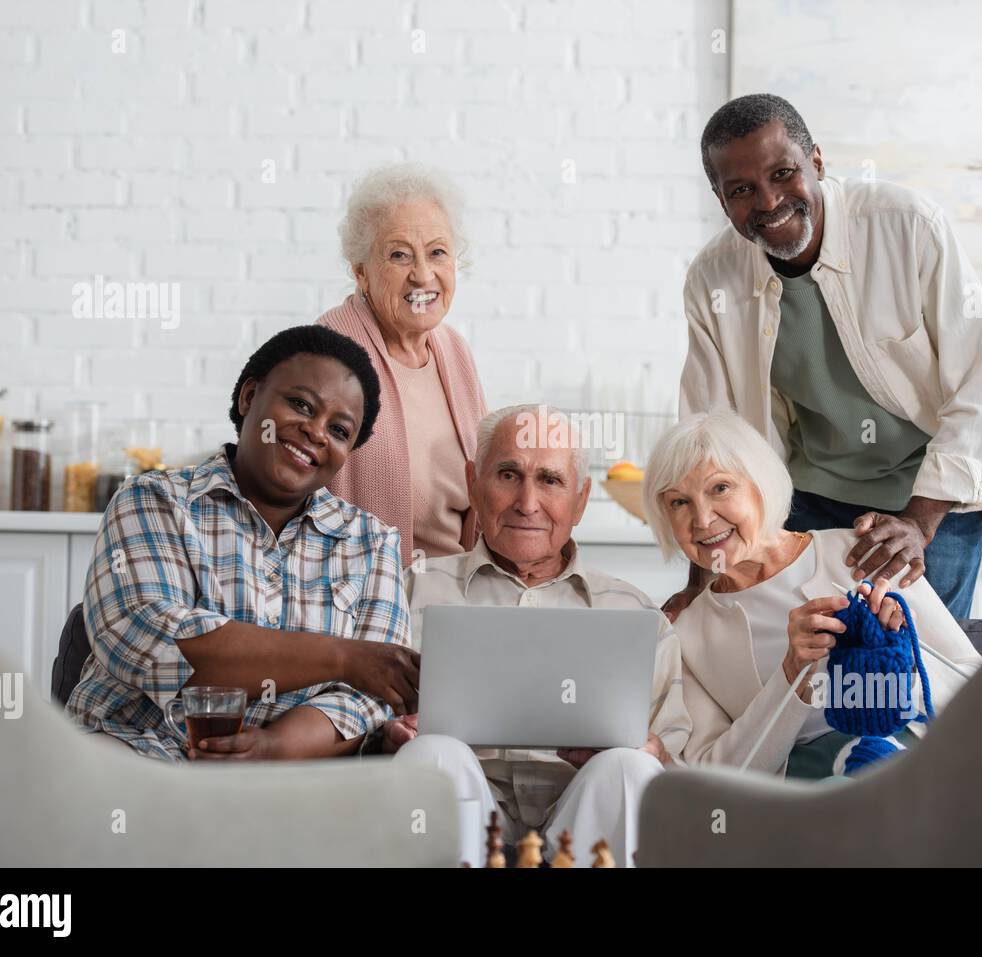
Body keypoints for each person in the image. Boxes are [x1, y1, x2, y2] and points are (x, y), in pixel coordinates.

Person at [675, 93, 982, 620]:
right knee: (810, 669)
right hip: (809, 499)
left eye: (783, 173)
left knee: (921, 672)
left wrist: (918, 522)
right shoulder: (712, 280)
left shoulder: (908, 228)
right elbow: (711, 437)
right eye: (742, 190)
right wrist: (699, 589)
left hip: (935, 497)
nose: (770, 202)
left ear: (816, 161)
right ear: (720, 198)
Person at [67, 326, 419, 761]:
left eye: (340, 430)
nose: (315, 432)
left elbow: (368, 700)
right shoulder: (153, 501)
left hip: (293, 777)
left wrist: (274, 746)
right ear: (249, 397)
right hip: (139, 758)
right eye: (300, 404)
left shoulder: (372, 542)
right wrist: (344, 657)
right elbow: (152, 642)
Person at [385, 404, 691, 867]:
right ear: (473, 482)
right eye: (508, 475)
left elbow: (673, 769)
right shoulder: (412, 588)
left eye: (550, 480)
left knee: (631, 768)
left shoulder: (637, 613)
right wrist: (388, 733)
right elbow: (359, 718)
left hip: (583, 815)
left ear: (581, 499)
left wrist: (653, 752)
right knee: (433, 754)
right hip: (465, 812)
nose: (527, 503)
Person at [643, 410, 982, 777]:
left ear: (761, 484)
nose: (703, 519)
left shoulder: (865, 552)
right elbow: (716, 776)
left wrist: (900, 665)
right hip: (808, 796)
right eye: (679, 502)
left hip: (917, 761)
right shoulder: (688, 633)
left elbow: (978, 689)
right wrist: (791, 675)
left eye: (720, 488)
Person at [317, 162, 488, 567]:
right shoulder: (328, 354)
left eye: (438, 253)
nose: (423, 275)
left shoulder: (454, 351)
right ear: (361, 272)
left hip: (456, 598)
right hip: (363, 601)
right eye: (399, 255)